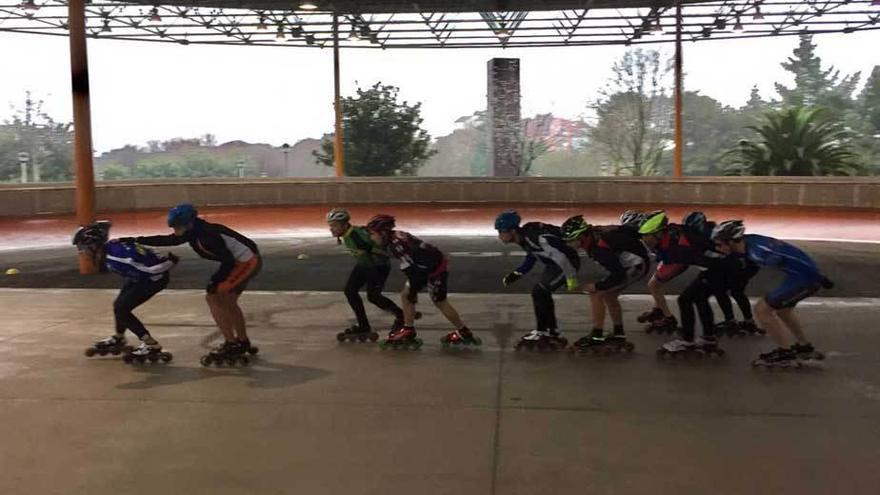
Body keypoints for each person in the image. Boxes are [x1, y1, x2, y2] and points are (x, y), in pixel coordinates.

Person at [126, 203, 261, 363]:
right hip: (246, 260)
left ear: (188, 224)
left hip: (246, 262)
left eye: (177, 226)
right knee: (228, 301)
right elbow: (170, 240)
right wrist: (137, 240)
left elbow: (228, 260)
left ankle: (231, 343)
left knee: (213, 297)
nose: (175, 230)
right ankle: (242, 341)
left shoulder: (207, 235)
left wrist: (216, 280)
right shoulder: (193, 231)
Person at [711, 220, 832, 367]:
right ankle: (804, 346)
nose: (717, 248)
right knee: (783, 311)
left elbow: (780, 256)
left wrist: (819, 277)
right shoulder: (749, 243)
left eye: (719, 244)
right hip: (801, 277)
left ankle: (784, 352)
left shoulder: (759, 251)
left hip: (806, 279)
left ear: (731, 242)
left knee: (762, 310)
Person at [365, 214, 479, 349]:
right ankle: (408, 329)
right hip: (426, 266)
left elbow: (412, 271)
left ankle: (463, 331)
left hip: (433, 271)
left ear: (383, 233)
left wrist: (413, 290)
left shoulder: (396, 245)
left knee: (439, 301)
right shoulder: (395, 236)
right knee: (406, 295)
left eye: (372, 234)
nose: (371, 238)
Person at [75, 221, 177, 363]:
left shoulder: (116, 258)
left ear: (94, 245)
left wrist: (170, 262)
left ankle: (151, 345)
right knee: (118, 305)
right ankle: (119, 337)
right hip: (139, 276)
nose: (82, 252)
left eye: (83, 247)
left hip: (153, 278)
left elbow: (151, 269)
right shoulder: (110, 249)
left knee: (122, 309)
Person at [640, 211, 726, 357]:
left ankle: (687, 341)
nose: (644, 240)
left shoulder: (679, 248)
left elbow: (694, 259)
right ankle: (709, 338)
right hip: (718, 265)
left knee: (685, 299)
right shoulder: (673, 232)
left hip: (719, 267)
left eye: (647, 236)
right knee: (699, 298)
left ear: (659, 234)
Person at [561, 215, 649, 353]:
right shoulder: (595, 235)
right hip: (630, 263)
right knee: (609, 295)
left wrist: (596, 286)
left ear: (582, 237)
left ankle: (597, 335)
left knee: (597, 294)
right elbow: (628, 231)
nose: (569, 244)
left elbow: (618, 275)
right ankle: (618, 334)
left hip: (636, 265)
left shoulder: (599, 247)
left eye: (571, 240)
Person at [495, 210, 581, 350]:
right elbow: (532, 255)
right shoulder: (525, 238)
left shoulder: (535, 238)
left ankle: (545, 331)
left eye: (501, 232)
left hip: (567, 263)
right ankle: (551, 331)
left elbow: (562, 257)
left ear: (512, 231)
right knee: (541, 292)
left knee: (540, 291)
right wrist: (517, 273)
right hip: (554, 264)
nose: (499, 236)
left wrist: (571, 278)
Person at [327, 208, 405, 342]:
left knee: (374, 296)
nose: (331, 229)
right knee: (350, 291)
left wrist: (391, 258)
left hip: (377, 267)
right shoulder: (348, 234)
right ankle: (364, 325)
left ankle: (401, 316)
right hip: (365, 264)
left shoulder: (356, 236)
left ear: (345, 225)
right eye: (330, 225)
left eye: (334, 225)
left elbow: (380, 251)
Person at [683, 211, 760, 337]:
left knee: (727, 290)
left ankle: (736, 320)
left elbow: (720, 254)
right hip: (738, 265)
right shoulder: (706, 233)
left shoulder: (710, 234)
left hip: (741, 265)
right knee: (727, 290)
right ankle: (745, 320)